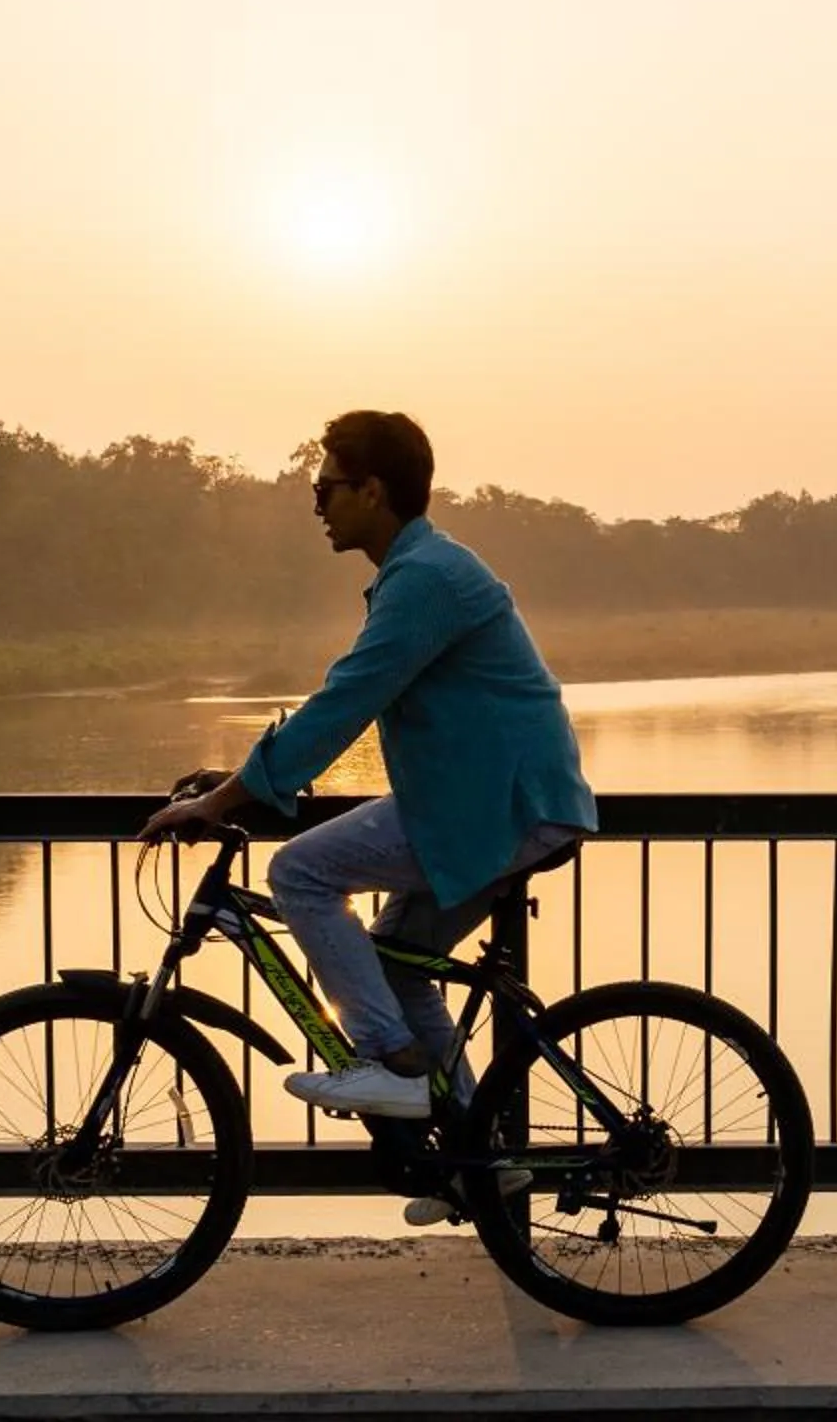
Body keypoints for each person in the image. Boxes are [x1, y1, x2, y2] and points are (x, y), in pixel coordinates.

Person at [137, 410, 598, 1127]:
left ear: (374, 491)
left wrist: (227, 800)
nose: (317, 505)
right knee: (397, 964)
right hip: (498, 806)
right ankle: (481, 1165)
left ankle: (386, 1064)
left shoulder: (428, 579)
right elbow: (348, 705)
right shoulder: (424, 571)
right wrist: (241, 780)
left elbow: (346, 701)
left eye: (327, 490)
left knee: (298, 872)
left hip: (502, 808)